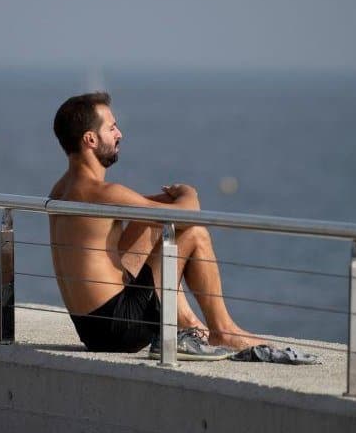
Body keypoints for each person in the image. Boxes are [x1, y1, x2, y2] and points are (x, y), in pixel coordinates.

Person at [48, 92, 263, 359]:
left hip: (92, 328)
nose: (120, 134)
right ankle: (223, 330)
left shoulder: (62, 190)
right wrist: (188, 192)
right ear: (90, 139)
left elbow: (141, 208)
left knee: (151, 223)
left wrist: (166, 204)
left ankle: (191, 326)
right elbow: (189, 214)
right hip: (120, 328)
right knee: (194, 233)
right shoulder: (102, 192)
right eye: (112, 127)